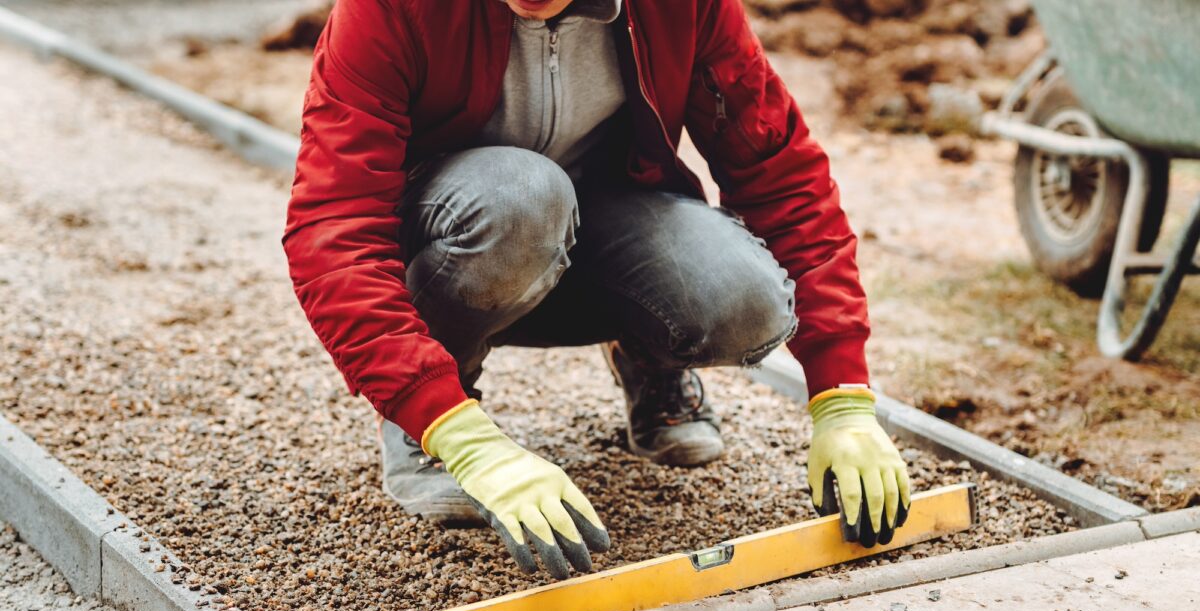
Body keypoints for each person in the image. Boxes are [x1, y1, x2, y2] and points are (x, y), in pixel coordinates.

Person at [284, 0, 912, 581]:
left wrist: (843, 398)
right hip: (468, 231)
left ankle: (646, 354)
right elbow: (331, 229)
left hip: (602, 216)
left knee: (744, 297)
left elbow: (782, 172)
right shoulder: (392, 10)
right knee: (521, 196)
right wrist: (449, 425)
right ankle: (432, 426)